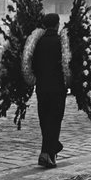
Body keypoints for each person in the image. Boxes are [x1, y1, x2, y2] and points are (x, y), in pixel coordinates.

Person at [32, 13, 67, 169]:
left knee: (44, 120)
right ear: (57, 25)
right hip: (58, 88)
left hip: (41, 87)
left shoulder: (36, 43)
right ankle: (50, 153)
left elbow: (31, 64)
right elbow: (67, 64)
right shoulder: (61, 42)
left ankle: (47, 152)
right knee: (55, 121)